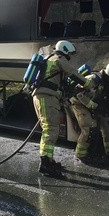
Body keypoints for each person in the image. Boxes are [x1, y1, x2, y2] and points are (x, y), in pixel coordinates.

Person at [32, 40, 91, 177]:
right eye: (69, 53)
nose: (70, 56)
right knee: (50, 129)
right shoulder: (59, 59)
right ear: (65, 50)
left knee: (49, 128)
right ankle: (45, 163)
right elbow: (74, 74)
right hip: (46, 97)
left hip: (43, 97)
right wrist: (88, 83)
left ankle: (49, 160)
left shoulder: (49, 58)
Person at [69, 61, 109, 161]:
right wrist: (94, 106)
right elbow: (79, 94)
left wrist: (102, 106)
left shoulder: (105, 81)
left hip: (92, 104)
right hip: (79, 103)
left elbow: (98, 95)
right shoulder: (93, 79)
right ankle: (81, 155)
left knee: (107, 122)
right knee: (89, 127)